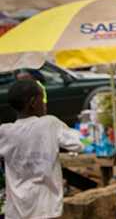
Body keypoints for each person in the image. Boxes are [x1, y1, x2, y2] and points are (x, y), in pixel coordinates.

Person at [0, 79, 83, 219]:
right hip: (45, 210)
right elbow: (80, 144)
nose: (45, 102)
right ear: (33, 102)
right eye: (42, 98)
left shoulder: (4, 132)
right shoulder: (49, 124)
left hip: (15, 213)